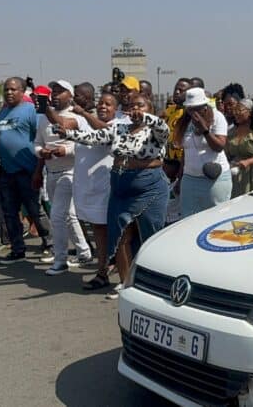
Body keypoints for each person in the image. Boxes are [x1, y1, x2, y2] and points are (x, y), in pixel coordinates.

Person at [59, 93, 169, 300]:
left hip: (149, 190)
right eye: (133, 106)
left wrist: (144, 118)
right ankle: (125, 283)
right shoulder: (120, 128)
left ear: (150, 110)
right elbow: (94, 137)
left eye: (141, 106)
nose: (136, 109)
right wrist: (67, 133)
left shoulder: (155, 131)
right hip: (120, 189)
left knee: (150, 237)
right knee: (120, 237)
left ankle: (153, 283)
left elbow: (163, 127)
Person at [34, 80, 92, 275]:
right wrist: (41, 152)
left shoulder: (76, 117)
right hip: (51, 172)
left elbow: (85, 144)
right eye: (54, 91)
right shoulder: (43, 118)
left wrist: (65, 150)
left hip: (71, 172)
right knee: (68, 215)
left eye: (61, 91)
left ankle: (60, 260)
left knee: (57, 215)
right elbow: (37, 143)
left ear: (70, 95)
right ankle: (84, 252)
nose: (56, 95)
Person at [0, 77, 52, 264]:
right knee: (10, 212)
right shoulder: (2, 112)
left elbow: (41, 140)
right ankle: (17, 249)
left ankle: (50, 244)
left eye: (13, 89)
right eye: (6, 89)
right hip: (6, 171)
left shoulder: (30, 111)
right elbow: (1, 138)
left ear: (22, 91)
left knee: (35, 210)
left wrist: (38, 170)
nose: (9, 92)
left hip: (27, 170)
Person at [70, 92, 118, 290]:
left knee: (117, 233)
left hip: (109, 189)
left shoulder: (118, 125)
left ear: (116, 109)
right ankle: (102, 271)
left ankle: (120, 273)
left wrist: (83, 113)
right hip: (90, 189)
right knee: (99, 230)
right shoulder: (87, 125)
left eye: (108, 104)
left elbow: (105, 132)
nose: (103, 107)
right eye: (100, 103)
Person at [174, 87, 232, 217]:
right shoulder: (185, 120)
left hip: (214, 180)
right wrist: (180, 178)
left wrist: (204, 129)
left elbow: (219, 146)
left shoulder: (217, 117)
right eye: (190, 108)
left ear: (205, 106)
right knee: (188, 218)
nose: (192, 112)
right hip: (190, 179)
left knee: (215, 217)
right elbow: (186, 151)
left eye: (196, 108)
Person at [164, 78, 192, 163]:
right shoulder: (168, 111)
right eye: (175, 89)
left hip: (185, 161)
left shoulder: (191, 113)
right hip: (169, 160)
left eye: (181, 90)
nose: (177, 92)